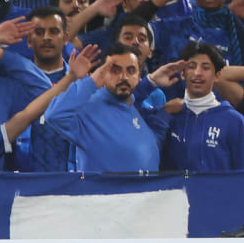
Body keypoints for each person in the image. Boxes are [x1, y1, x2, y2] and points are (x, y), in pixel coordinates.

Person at [39, 43, 168, 172]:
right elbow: (53, 115)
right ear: (102, 74)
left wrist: (152, 82)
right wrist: (90, 82)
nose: (124, 77)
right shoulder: (88, 107)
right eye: (115, 70)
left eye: (130, 71)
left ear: (139, 76)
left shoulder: (134, 107)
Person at [160, 41, 244, 171]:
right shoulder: (168, 116)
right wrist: (163, 114)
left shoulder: (235, 121)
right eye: (191, 66)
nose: (197, 73)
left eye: (205, 68)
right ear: (182, 73)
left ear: (217, 75)